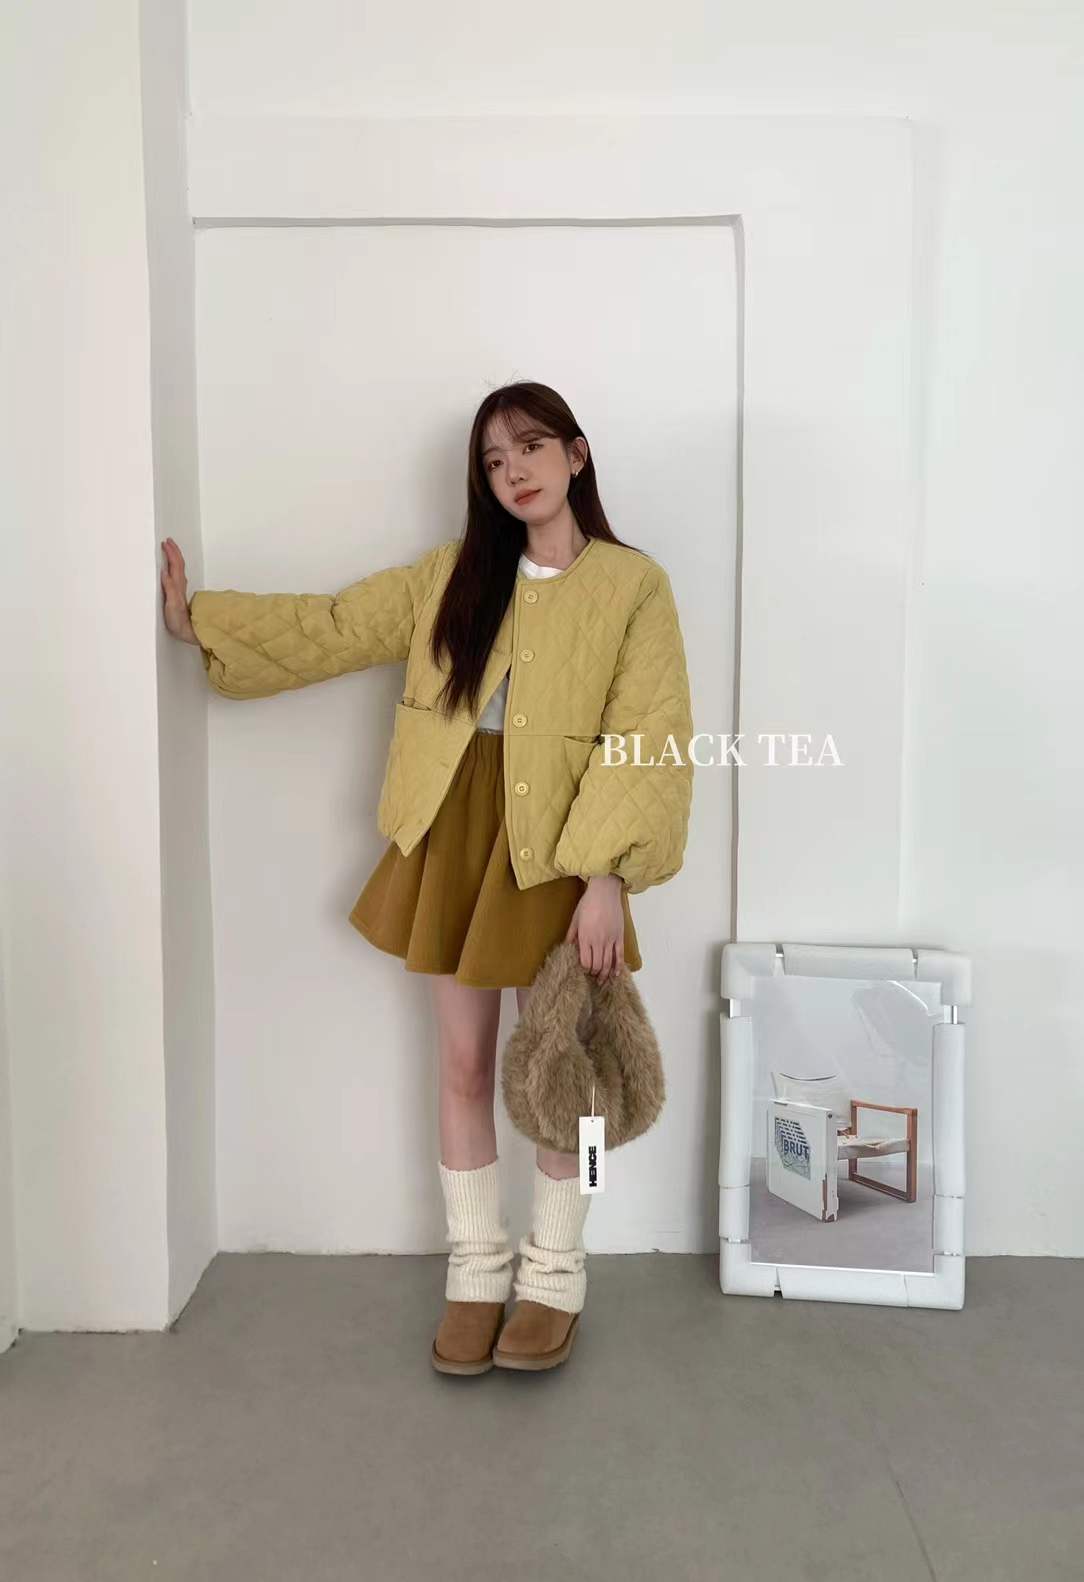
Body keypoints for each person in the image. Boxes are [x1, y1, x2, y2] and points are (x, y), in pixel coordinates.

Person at [160, 380, 693, 1375]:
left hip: (568, 848)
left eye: (530, 447)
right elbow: (334, 624)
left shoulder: (632, 586)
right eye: (493, 460)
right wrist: (202, 621)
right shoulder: (451, 577)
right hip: (457, 835)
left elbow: (648, 734)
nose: (513, 470)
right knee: (462, 1066)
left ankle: (558, 1272)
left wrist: (608, 879)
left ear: (576, 454)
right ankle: (476, 1269)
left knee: (570, 1082)